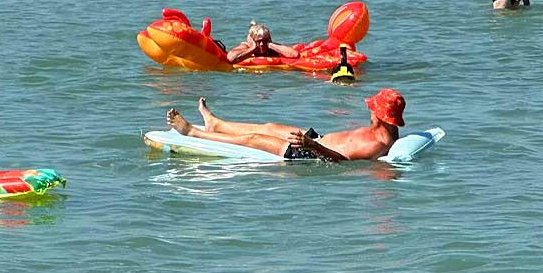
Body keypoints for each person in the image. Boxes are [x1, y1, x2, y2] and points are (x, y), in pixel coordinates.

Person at [164, 89, 406, 161]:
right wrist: (314, 140)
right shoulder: (378, 130)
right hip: (316, 140)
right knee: (268, 126)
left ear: (382, 116)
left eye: (373, 109)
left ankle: (192, 132)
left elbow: (340, 160)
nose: (369, 111)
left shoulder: (377, 144)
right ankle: (215, 123)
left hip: (310, 152)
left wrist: (311, 146)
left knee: (252, 140)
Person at [226, 21, 299, 63]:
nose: (261, 44)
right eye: (258, 41)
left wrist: (270, 44)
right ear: (253, 41)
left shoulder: (270, 47)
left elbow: (295, 55)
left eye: (264, 41)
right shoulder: (245, 46)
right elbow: (230, 58)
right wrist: (253, 48)